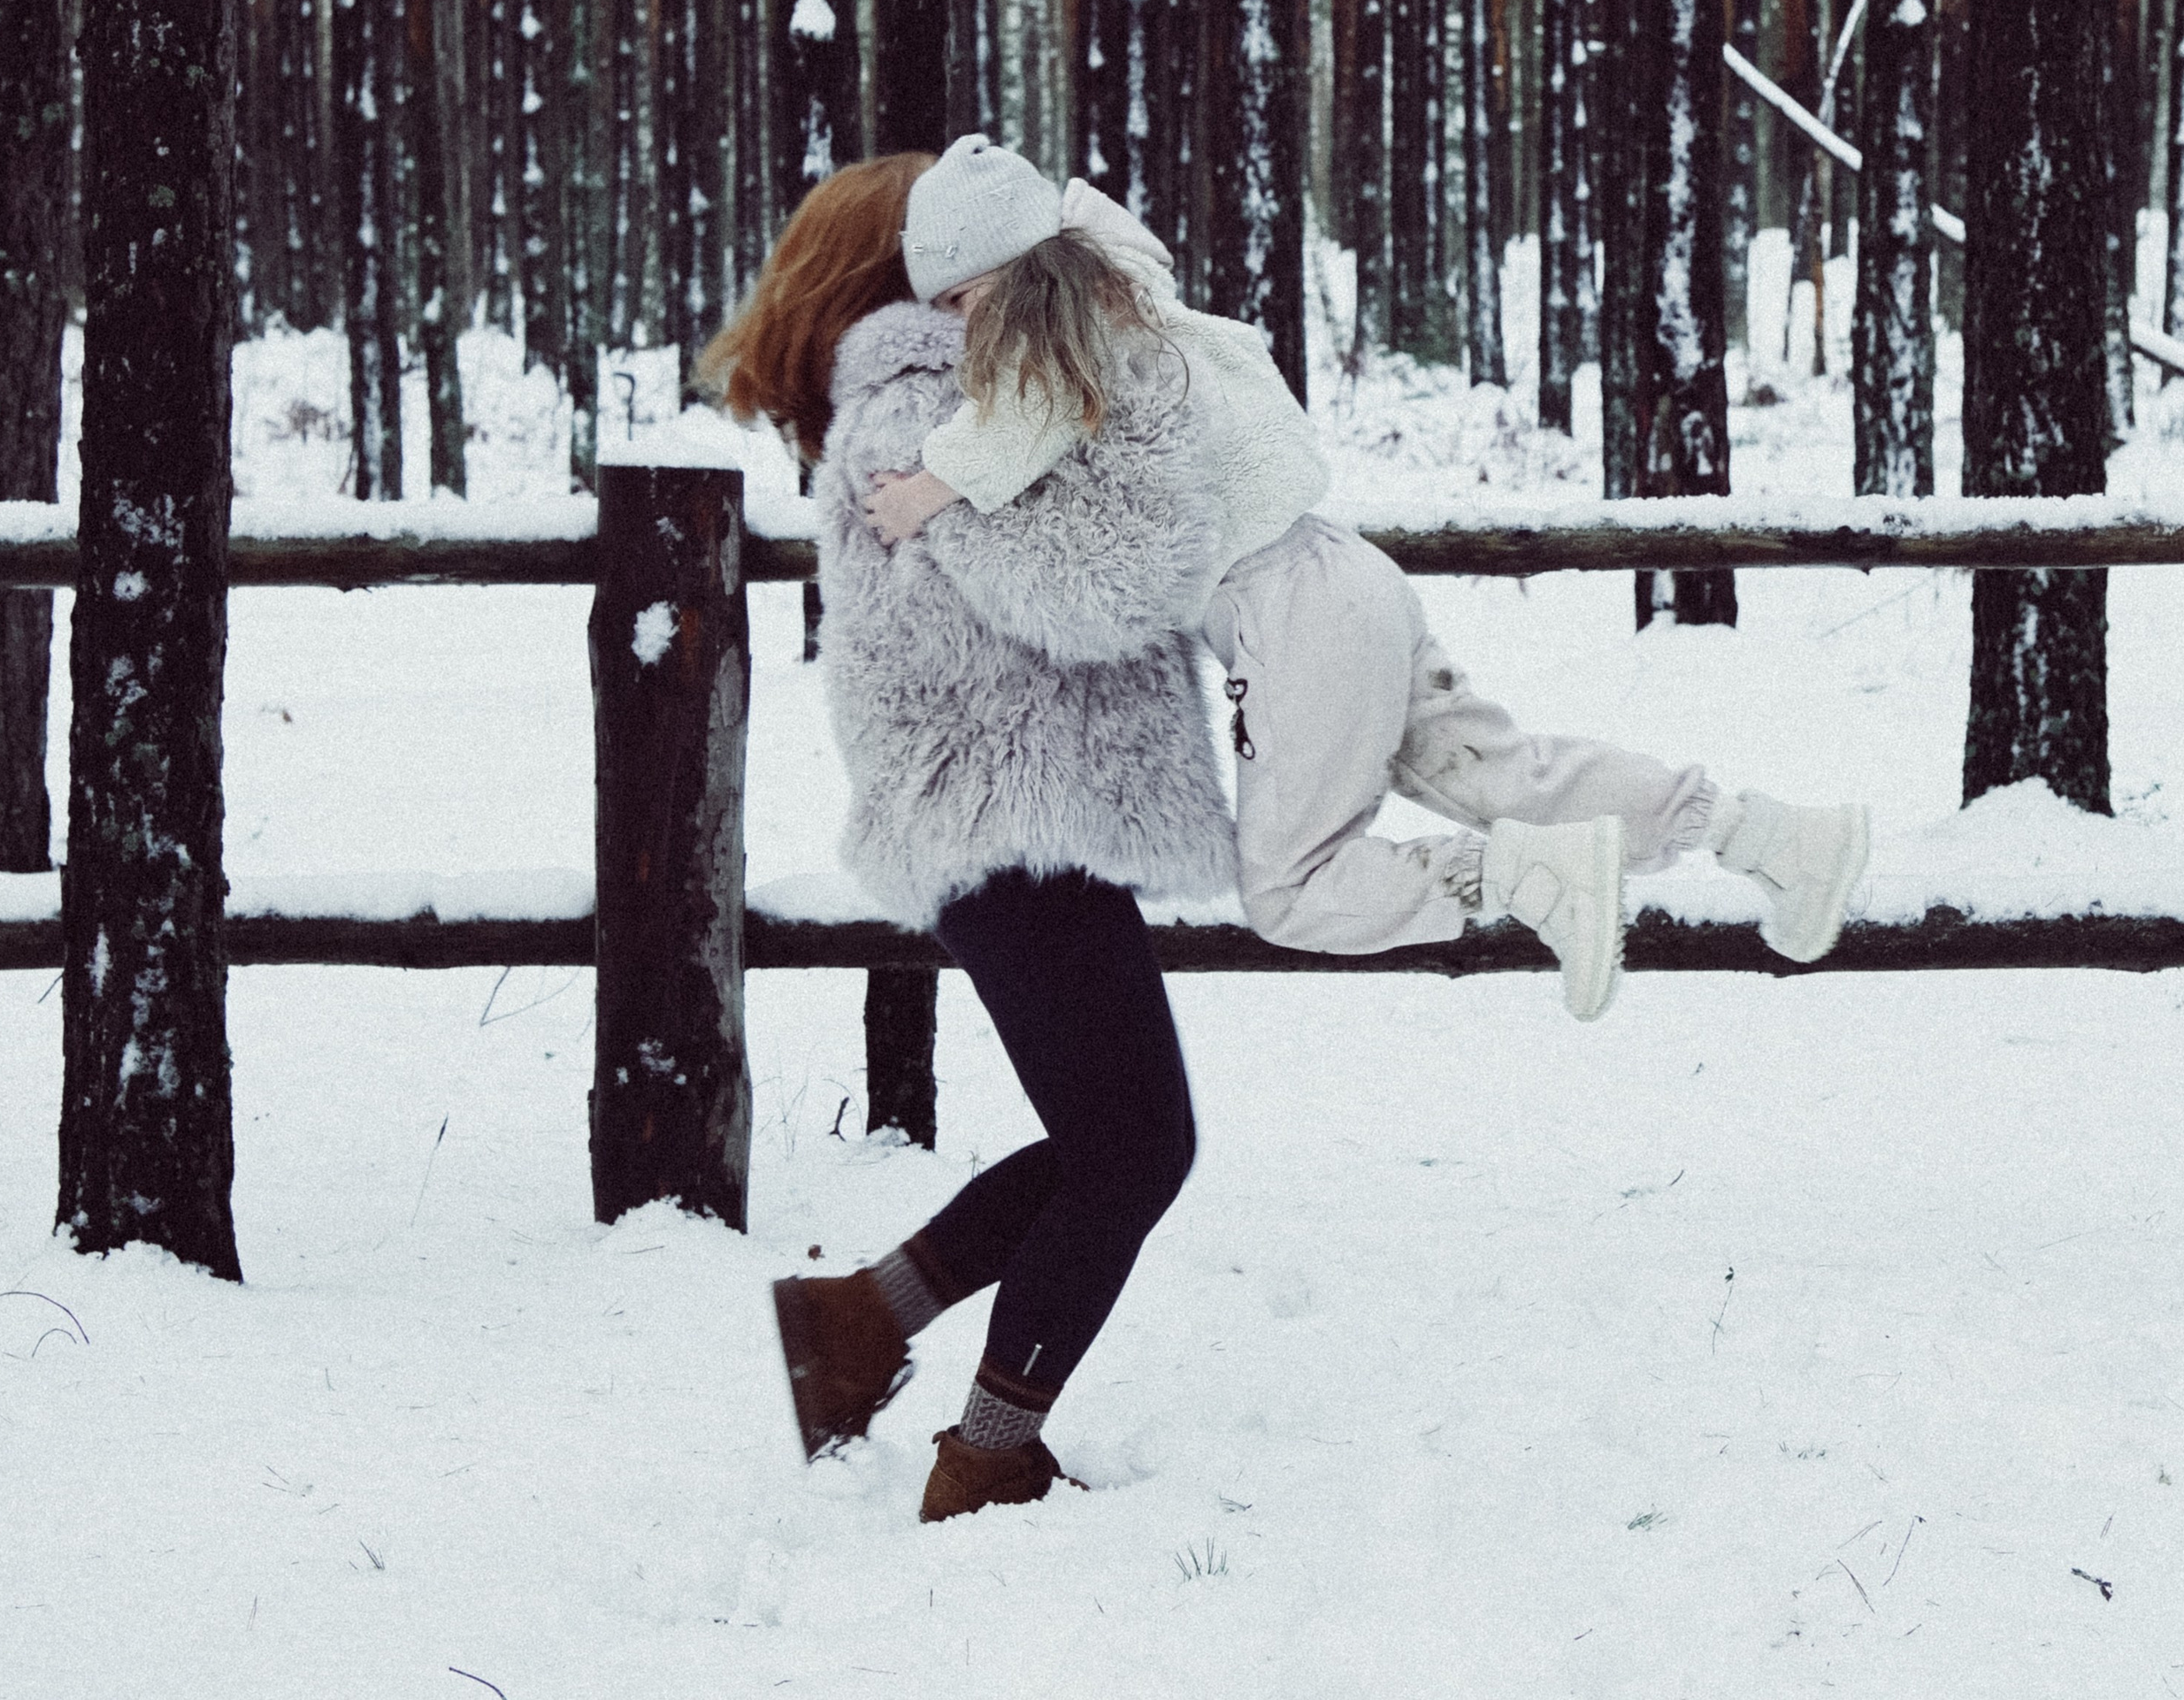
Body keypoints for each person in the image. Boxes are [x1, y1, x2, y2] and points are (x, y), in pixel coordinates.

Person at [867, 136, 1873, 1022]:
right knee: (1503, 770)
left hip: (1283, 607)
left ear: (1009, 272)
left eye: (961, 299)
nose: (960, 326)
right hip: (1345, 572)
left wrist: (921, 492)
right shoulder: (1132, 294)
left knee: (1292, 889)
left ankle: (1522, 874)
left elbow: (1017, 426)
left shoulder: (1057, 330)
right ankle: (1771, 837)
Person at [703, 156, 1235, 1523]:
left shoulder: (960, 399)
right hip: (1011, 813)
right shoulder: (932, 411)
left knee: (1119, 1139)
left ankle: (857, 1325)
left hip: (1015, 814)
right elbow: (1103, 589)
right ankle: (986, 1453)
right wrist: (1157, 433)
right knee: (1134, 1148)